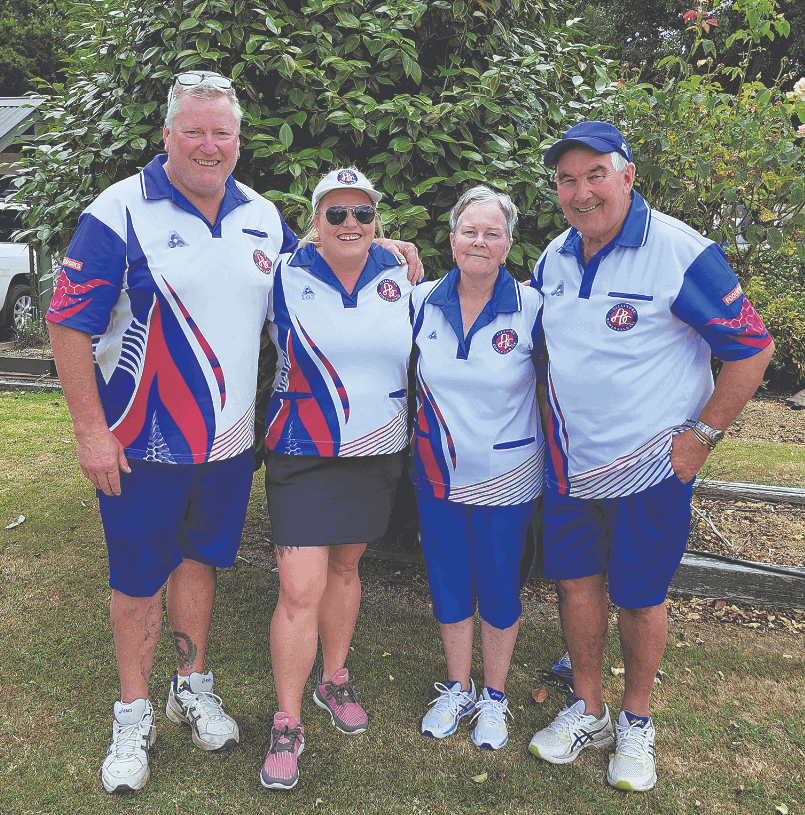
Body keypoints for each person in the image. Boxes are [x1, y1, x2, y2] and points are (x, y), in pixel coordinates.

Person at [46, 74, 421, 794]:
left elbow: (318, 260)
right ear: (167, 136)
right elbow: (68, 321)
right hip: (140, 441)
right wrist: (90, 429)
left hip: (225, 445)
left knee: (198, 562)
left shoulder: (259, 217)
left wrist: (380, 244)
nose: (209, 145)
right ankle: (132, 714)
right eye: (194, 130)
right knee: (136, 580)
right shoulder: (118, 211)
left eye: (222, 132)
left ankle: (191, 685)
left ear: (239, 141)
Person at [527, 121, 774, 791]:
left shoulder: (679, 252)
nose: (580, 192)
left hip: (650, 469)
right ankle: (589, 709)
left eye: (593, 175)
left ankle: (635, 722)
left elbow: (752, 349)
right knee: (575, 584)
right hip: (571, 463)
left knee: (638, 597)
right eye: (566, 180)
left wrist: (701, 436)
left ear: (627, 175)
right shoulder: (552, 257)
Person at [258, 168, 417, 791]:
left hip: (376, 451)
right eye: (335, 213)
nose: (349, 224)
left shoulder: (404, 276)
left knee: (346, 571)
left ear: (378, 218)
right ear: (314, 219)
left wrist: (406, 253)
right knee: (300, 589)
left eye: (362, 213)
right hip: (301, 451)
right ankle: (288, 720)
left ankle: (335, 678)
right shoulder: (278, 272)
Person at [410, 186, 544, 751]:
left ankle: (494, 696)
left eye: (493, 233)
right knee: (447, 582)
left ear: (509, 244)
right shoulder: (417, 300)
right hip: (436, 471)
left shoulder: (534, 308)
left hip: (508, 475)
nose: (480, 242)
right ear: (452, 238)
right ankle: (457, 686)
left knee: (497, 585)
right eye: (471, 231)